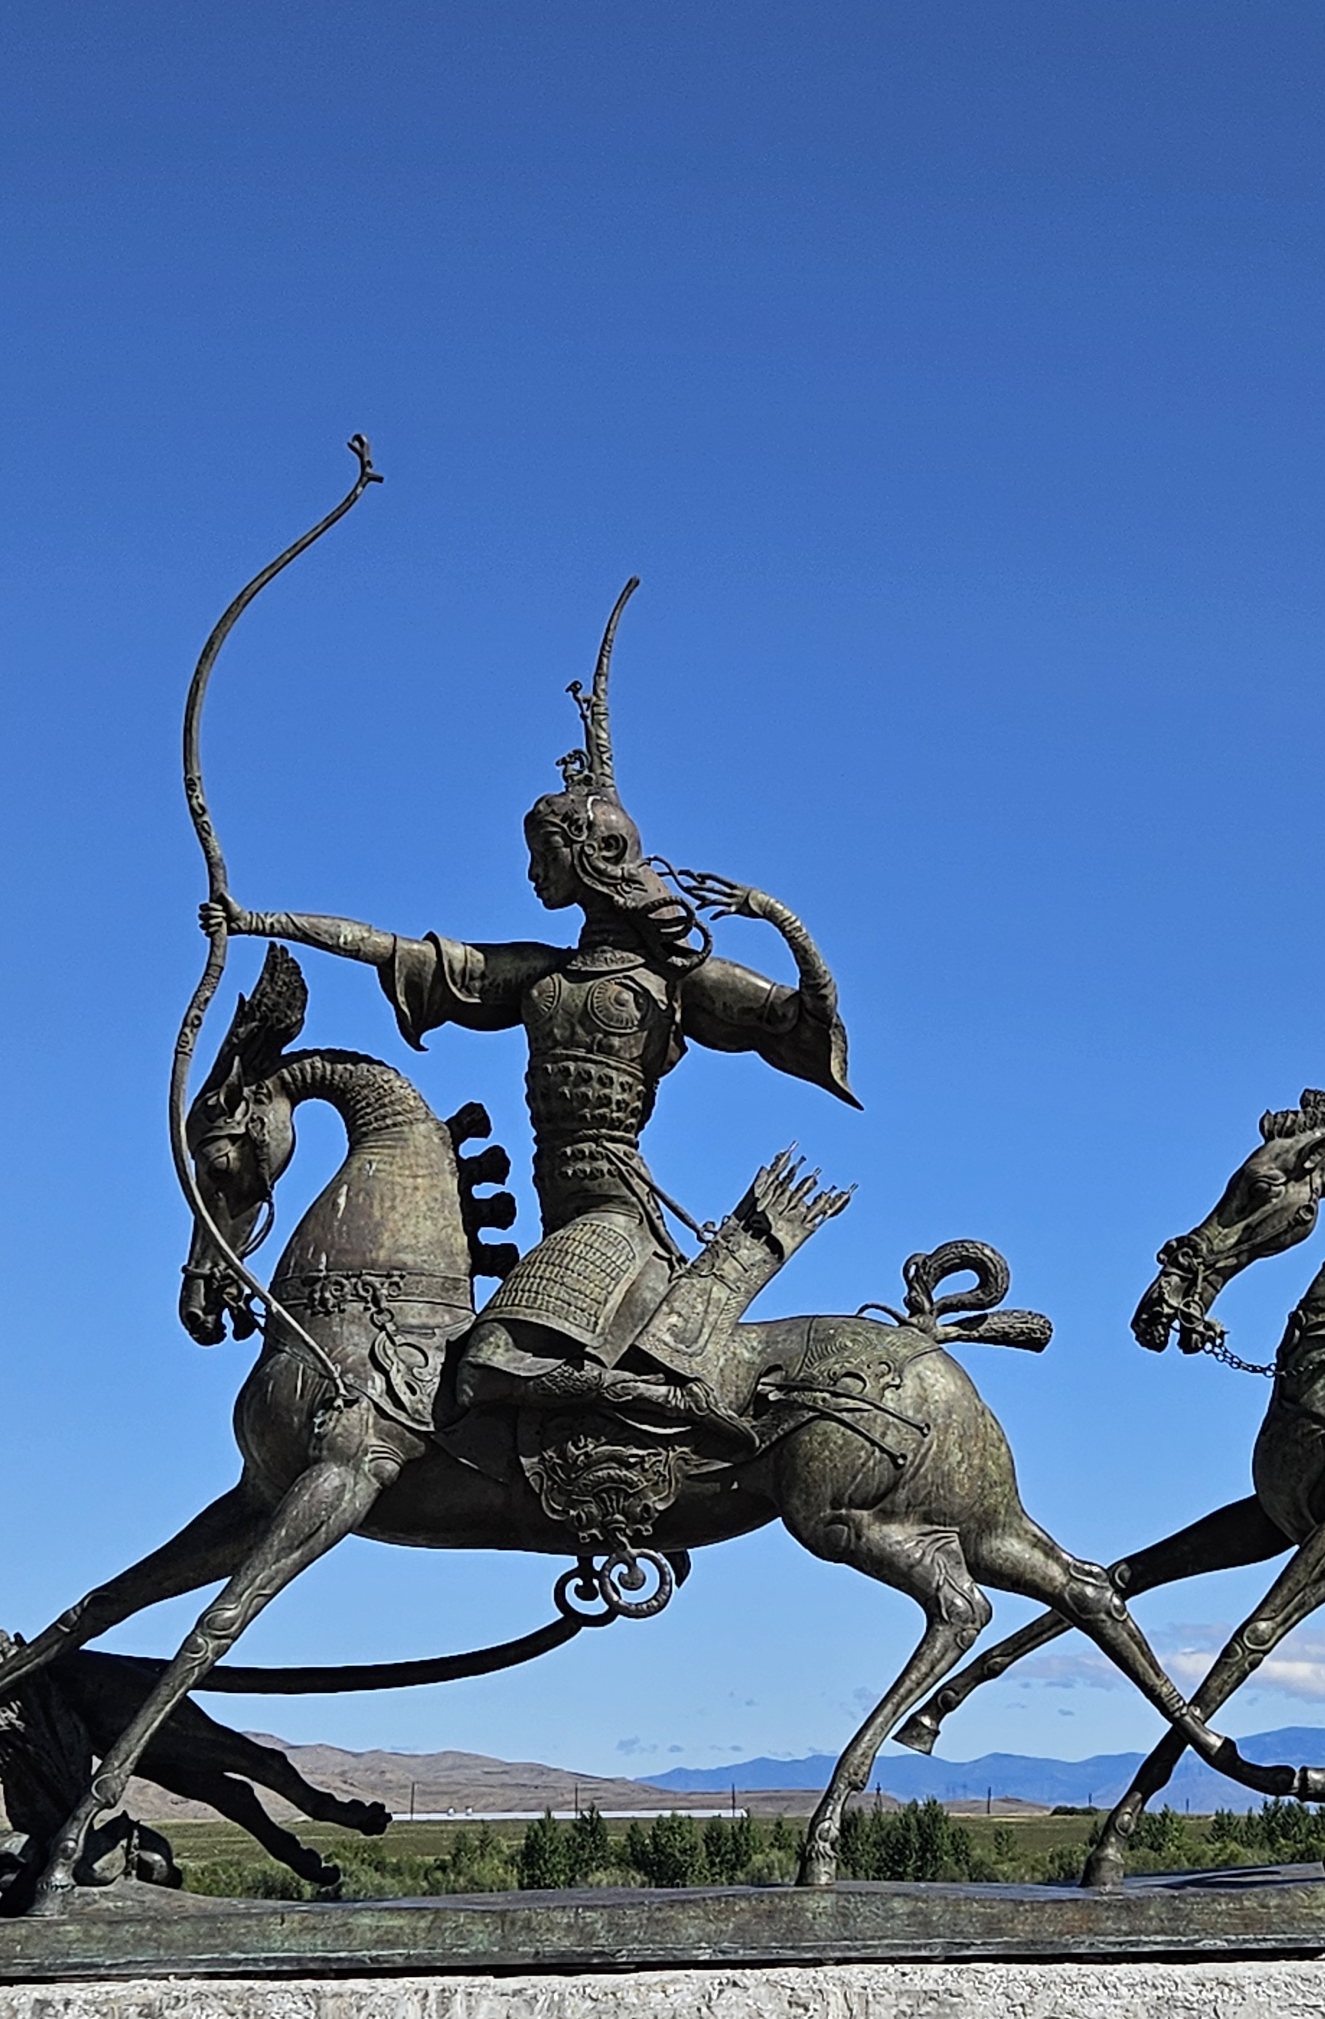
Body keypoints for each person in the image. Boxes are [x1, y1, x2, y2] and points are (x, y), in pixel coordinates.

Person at [206, 614, 850, 1451]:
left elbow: (802, 1015)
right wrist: (259, 920)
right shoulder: (540, 976)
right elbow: (395, 949)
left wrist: (778, 919)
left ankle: (661, 1399)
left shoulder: (675, 983)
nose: (532, 873)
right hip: (559, 1198)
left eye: (543, 855)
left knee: (481, 1368)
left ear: (587, 858)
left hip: (614, 1209)